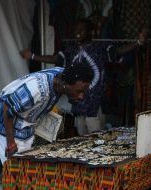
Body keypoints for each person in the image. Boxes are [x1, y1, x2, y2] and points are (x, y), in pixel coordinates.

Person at [0, 63, 93, 190]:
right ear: (65, 84)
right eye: (78, 91)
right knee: (14, 168)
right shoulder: (36, 90)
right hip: (8, 120)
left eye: (84, 91)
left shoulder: (63, 76)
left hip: (26, 120)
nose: (81, 96)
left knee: (20, 167)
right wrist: (11, 142)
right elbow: (8, 108)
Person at [20, 19, 148, 135]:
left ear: (90, 32)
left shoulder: (99, 48)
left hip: (95, 103)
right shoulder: (71, 50)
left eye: (82, 29)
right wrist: (32, 56)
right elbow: (55, 58)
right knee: (82, 137)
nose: (78, 32)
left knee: (97, 137)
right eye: (76, 29)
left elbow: (118, 52)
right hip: (79, 104)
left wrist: (138, 42)